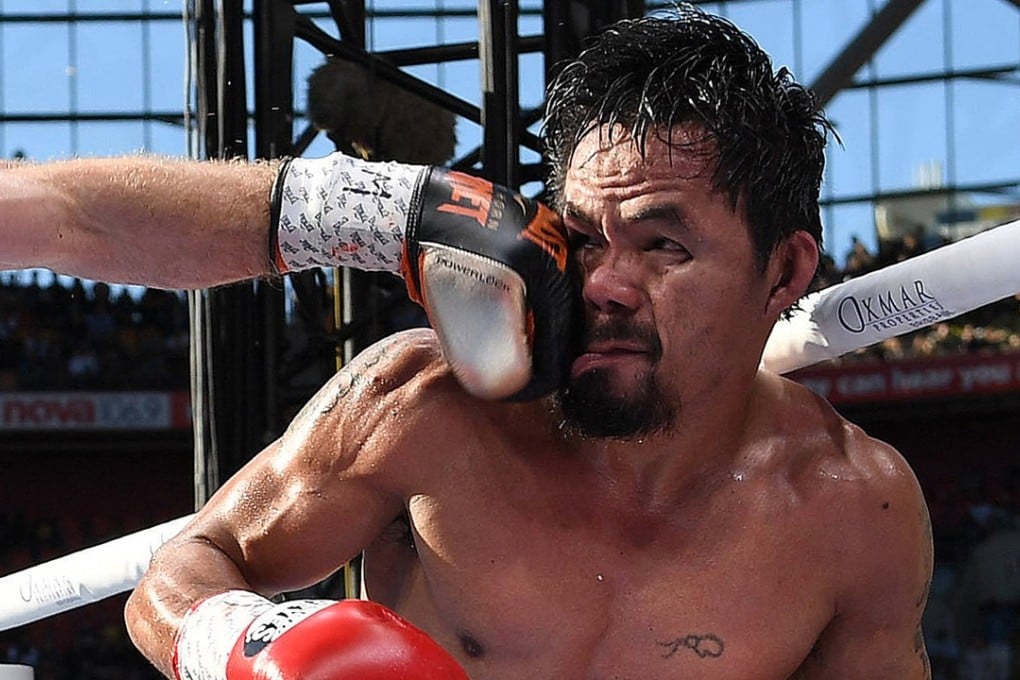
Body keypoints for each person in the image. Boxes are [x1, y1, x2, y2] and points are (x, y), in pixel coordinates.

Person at [0, 6, 933, 678]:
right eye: (583, 234)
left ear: (785, 272)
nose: (602, 282)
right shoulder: (424, 407)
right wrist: (248, 643)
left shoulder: (854, 513)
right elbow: (179, 573)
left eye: (663, 245)